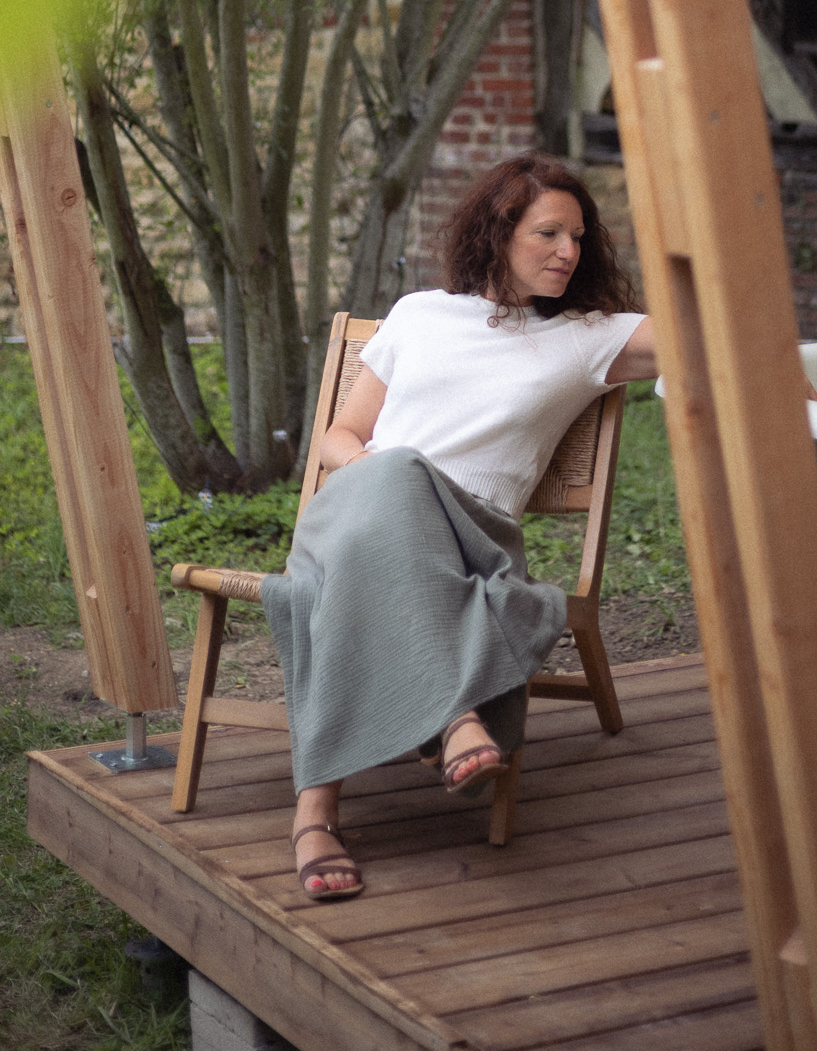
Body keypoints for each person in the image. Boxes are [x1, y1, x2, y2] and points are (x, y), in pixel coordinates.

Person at [262, 152, 657, 903]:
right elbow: (341, 436)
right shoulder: (419, 314)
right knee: (396, 475)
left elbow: (711, 338)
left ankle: (314, 818)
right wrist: (382, 475)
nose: (568, 252)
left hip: (472, 539)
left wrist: (788, 371)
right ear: (498, 233)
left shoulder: (590, 335)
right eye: (547, 233)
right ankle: (452, 715)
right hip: (356, 510)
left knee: (364, 557)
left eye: (578, 237)